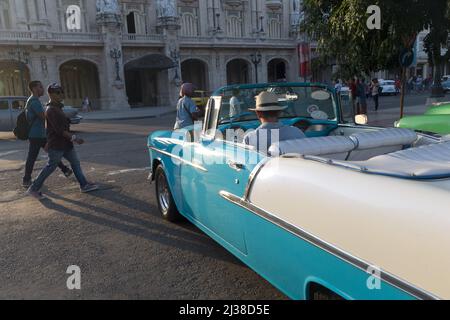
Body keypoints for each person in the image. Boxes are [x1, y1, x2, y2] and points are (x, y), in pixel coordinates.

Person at [27, 83, 98, 200]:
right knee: (50, 167)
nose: (61, 94)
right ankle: (33, 188)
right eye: (57, 92)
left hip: (65, 144)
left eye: (61, 92)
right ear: (51, 94)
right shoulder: (51, 110)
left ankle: (84, 184)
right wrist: (75, 138)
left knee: (75, 163)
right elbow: (60, 130)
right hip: (57, 145)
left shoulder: (57, 107)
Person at [22, 81, 72, 188]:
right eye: (40, 87)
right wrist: (53, 114)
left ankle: (65, 170)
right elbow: (44, 117)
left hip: (40, 134)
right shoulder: (34, 102)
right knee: (33, 157)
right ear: (35, 88)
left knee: (53, 153)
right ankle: (26, 180)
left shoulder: (33, 101)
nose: (43, 89)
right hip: (37, 135)